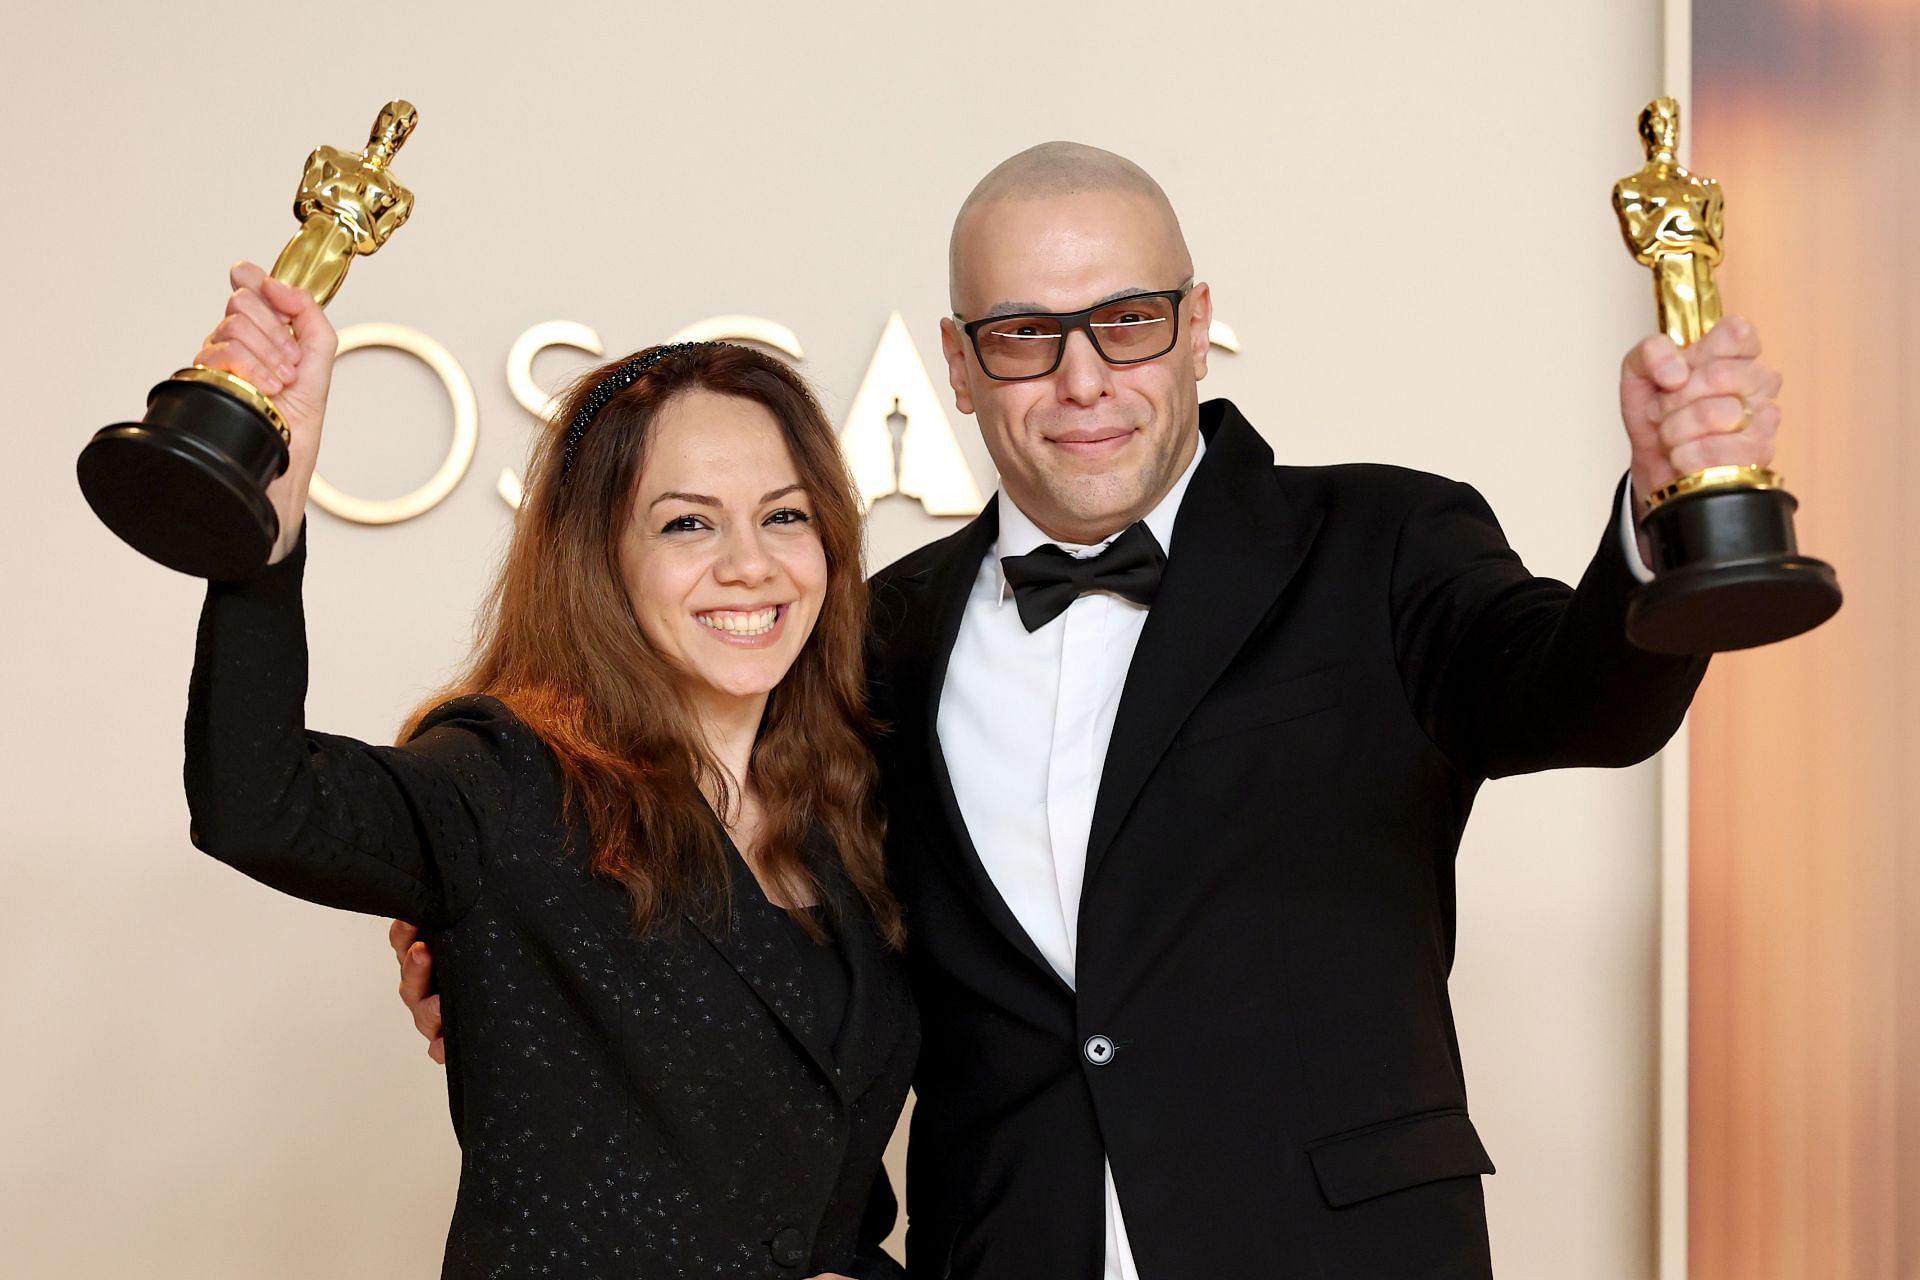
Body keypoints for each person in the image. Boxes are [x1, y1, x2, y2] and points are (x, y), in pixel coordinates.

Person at [401, 142, 1779, 1278]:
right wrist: (494, 934)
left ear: (1194, 324)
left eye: (1125, 321)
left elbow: (1587, 701)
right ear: (956, 361)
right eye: (1023, 336)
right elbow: (738, 876)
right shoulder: (876, 631)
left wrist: (1671, 517)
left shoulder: (1384, 542)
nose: (1082, 381)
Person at [185, 262, 917, 1279]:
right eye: (687, 522)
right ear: (600, 559)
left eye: (785, 515)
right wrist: (264, 520)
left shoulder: (855, 801)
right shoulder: (507, 781)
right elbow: (259, 805)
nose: (751, 562)